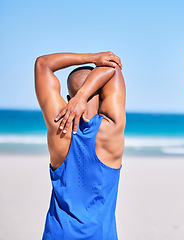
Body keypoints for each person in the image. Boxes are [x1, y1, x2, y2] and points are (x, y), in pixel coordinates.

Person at [35, 51, 126, 239]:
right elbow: (114, 68)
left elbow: (43, 64)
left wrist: (92, 58)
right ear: (102, 95)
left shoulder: (59, 125)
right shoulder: (112, 129)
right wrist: (84, 96)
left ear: (69, 99)